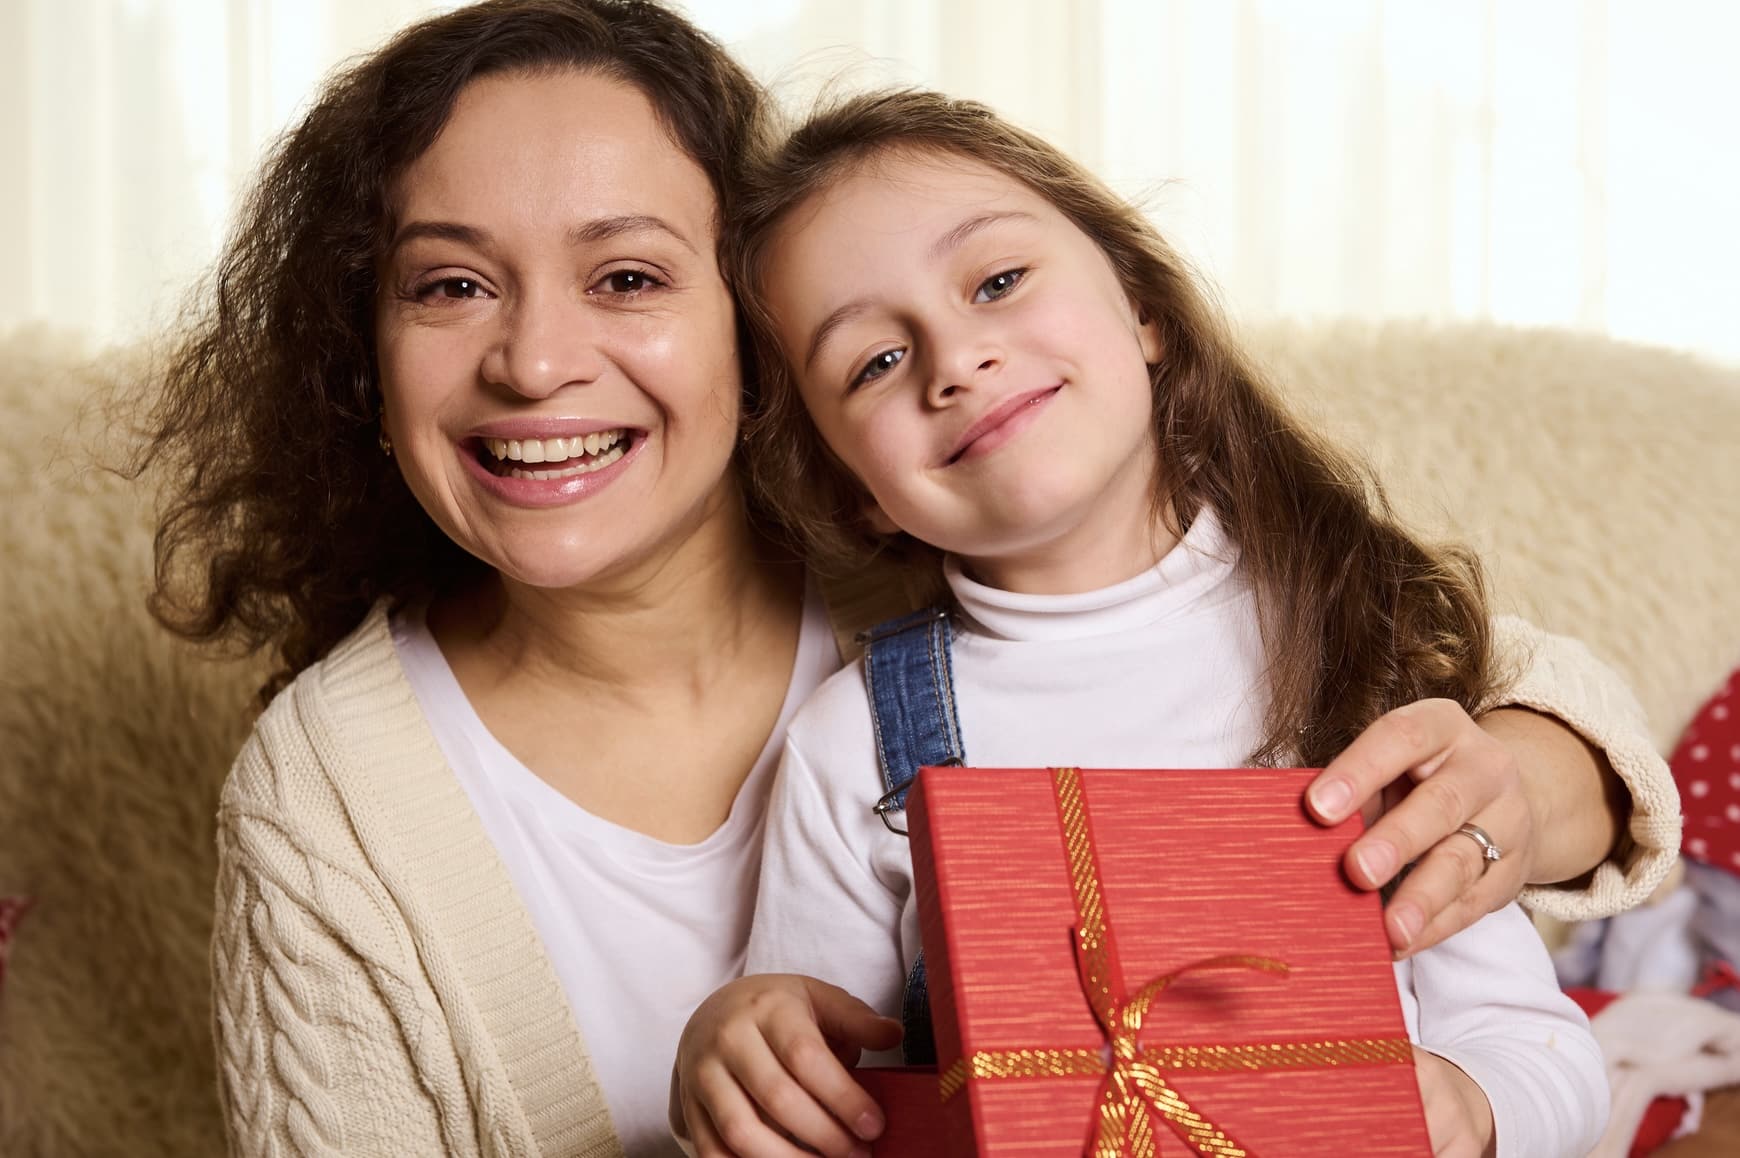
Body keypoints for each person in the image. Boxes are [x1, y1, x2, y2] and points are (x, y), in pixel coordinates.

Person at [137, 2, 1672, 1155]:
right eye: (450, 283)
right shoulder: (341, 803)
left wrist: (1522, 793)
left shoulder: (1036, 545)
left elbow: (1504, 702)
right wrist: (741, 1060)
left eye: (627, 276)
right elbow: (821, 1072)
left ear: (745, 359)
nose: (536, 359)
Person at [669, 90, 1627, 1158]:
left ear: (1143, 308)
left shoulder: (1361, 649)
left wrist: (1469, 1105)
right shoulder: (850, 747)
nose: (954, 361)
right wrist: (747, 1051)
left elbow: (1539, 1048)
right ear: (852, 489)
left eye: (997, 281)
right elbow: (829, 1089)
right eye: (875, 364)